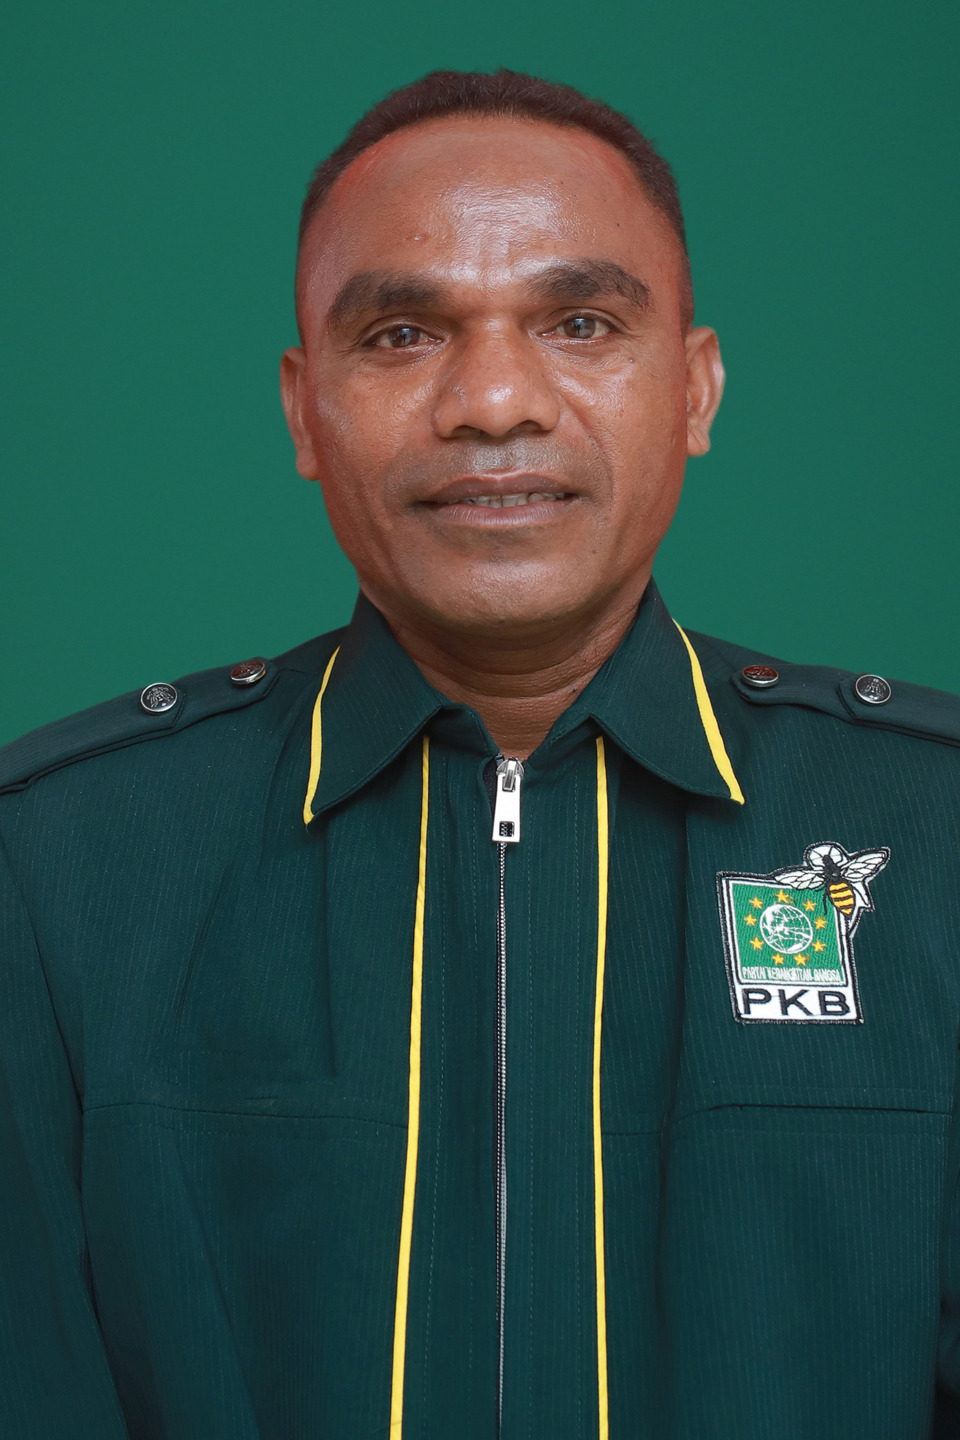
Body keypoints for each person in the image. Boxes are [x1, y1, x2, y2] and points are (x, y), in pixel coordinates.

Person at [1, 68, 958, 1440]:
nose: (495, 400)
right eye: (401, 333)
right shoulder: (60, 869)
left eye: (580, 322)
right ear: (303, 412)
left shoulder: (930, 833)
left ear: (694, 390)